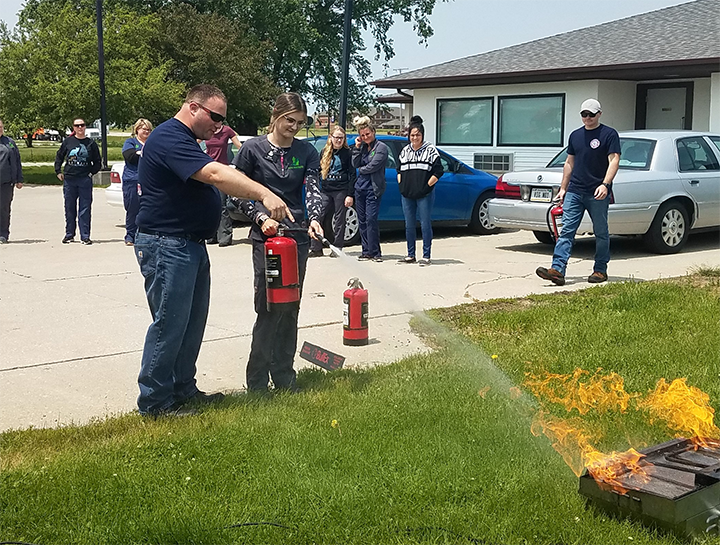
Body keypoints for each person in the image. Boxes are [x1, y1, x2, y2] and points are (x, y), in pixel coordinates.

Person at [134, 84, 291, 417]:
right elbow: (217, 174)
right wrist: (264, 194)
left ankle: (182, 390)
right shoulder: (169, 137)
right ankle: (155, 403)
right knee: (169, 324)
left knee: (191, 323)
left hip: (187, 243)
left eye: (222, 120)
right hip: (167, 244)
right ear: (193, 107)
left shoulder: (185, 140)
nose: (219, 126)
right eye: (215, 117)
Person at [232, 92, 323, 393]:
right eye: (289, 120)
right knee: (269, 308)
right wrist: (260, 217)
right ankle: (257, 381)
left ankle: (284, 376)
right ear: (275, 116)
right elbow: (236, 190)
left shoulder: (306, 152)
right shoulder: (252, 149)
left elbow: (312, 189)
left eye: (299, 122)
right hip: (267, 241)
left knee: (291, 307)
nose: (294, 127)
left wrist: (314, 217)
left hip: (296, 239)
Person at [536, 99, 620, 286]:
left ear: (599, 114)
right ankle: (557, 270)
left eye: (591, 114)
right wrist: (563, 188)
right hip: (575, 190)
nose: (587, 118)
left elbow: (614, 160)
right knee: (566, 231)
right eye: (584, 114)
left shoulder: (609, 134)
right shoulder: (575, 136)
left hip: (597, 192)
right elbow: (569, 163)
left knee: (601, 232)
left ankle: (600, 270)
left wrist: (605, 184)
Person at [396, 115, 443, 266]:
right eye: (412, 135)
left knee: (425, 224)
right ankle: (410, 254)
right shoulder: (405, 151)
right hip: (407, 194)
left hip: (424, 194)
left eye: (417, 135)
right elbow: (399, 170)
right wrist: (401, 185)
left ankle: (426, 255)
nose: (415, 137)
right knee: (409, 225)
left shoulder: (430, 150)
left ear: (422, 135)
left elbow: (438, 171)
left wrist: (427, 186)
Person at [309, 125, 356, 257]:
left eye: (341, 138)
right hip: (325, 189)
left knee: (339, 220)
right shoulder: (324, 151)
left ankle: (337, 248)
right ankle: (316, 248)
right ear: (331, 137)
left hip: (341, 190)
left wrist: (350, 195)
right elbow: (317, 170)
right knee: (318, 216)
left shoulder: (347, 153)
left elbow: (352, 175)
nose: (339, 140)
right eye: (336, 138)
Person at [54, 118, 102, 245]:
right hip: (69, 179)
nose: (80, 128)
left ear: (85, 127)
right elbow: (59, 156)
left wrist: (91, 173)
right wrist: (58, 171)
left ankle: (85, 236)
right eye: (77, 125)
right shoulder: (68, 142)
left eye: (82, 125)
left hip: (84, 179)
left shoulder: (91, 143)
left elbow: (98, 162)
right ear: (73, 128)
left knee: (85, 208)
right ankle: (69, 234)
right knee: (70, 208)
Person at [351, 116, 388, 262]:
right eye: (363, 135)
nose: (366, 137)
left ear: (373, 132)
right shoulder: (363, 147)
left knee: (371, 219)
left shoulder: (381, 147)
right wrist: (357, 148)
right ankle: (366, 251)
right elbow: (355, 163)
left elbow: (374, 166)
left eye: (368, 134)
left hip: (373, 189)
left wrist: (361, 170)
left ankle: (376, 252)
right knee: (362, 220)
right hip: (360, 189)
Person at [203, 124, 245, 247]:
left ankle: (225, 237)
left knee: (221, 205)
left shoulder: (226, 131)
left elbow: (239, 146)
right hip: (208, 170)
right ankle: (211, 235)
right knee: (209, 204)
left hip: (222, 171)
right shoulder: (207, 129)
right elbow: (194, 141)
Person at [121, 118, 153, 246]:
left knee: (148, 208)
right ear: (137, 129)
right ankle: (130, 235)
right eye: (144, 129)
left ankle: (145, 234)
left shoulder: (151, 143)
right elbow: (129, 156)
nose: (147, 132)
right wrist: (141, 153)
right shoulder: (130, 142)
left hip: (148, 180)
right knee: (133, 208)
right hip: (132, 179)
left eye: (149, 130)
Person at [0, 119, 23, 244]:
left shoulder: (10, 143)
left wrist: (19, 179)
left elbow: (17, 162)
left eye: (1, 127)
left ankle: (3, 234)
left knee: (4, 209)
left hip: (6, 183)